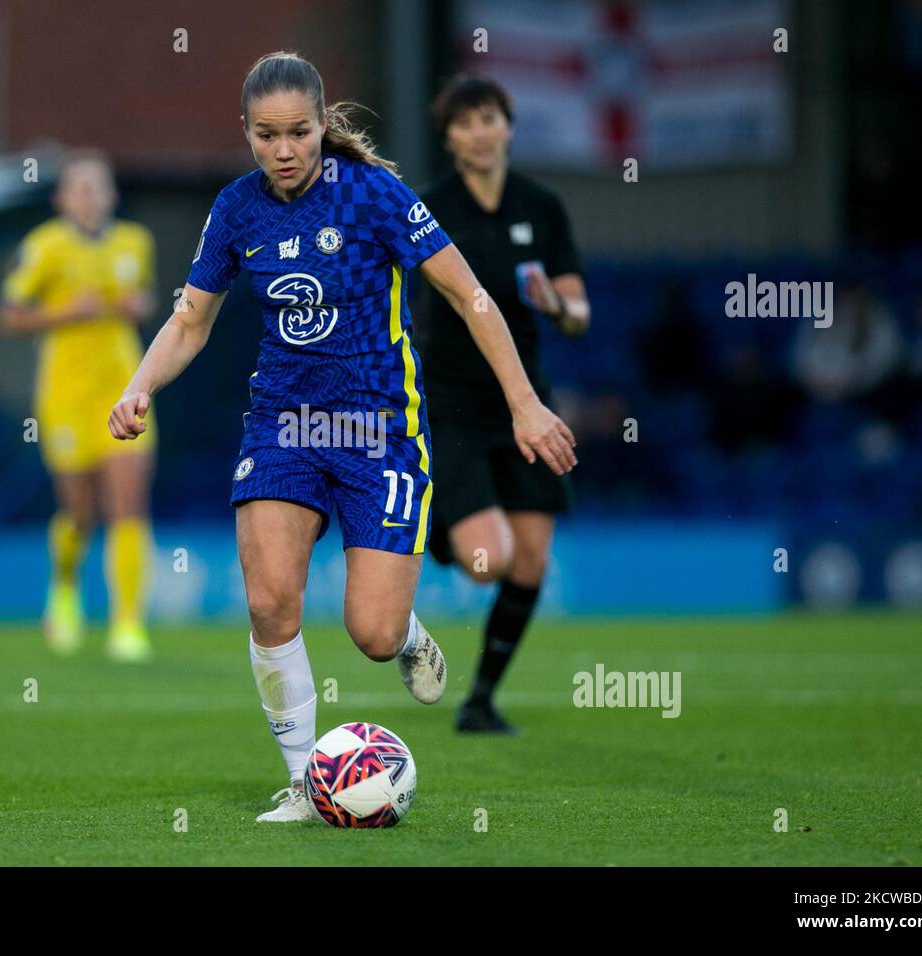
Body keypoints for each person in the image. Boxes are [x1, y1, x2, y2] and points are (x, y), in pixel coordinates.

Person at [108, 52, 577, 822]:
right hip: (283, 426)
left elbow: (470, 295)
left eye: (298, 132)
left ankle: (407, 634)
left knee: (372, 631)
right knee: (268, 604)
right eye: (267, 135)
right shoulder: (236, 210)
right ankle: (303, 782)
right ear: (247, 134)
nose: (284, 149)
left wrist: (524, 402)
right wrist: (139, 387)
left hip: (378, 429)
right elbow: (190, 320)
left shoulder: (373, 195)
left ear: (324, 125)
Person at [415, 74, 590, 734]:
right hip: (453, 401)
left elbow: (579, 313)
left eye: (489, 118)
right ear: (450, 139)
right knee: (486, 563)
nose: (480, 132)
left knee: (532, 558)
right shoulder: (429, 206)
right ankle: (439, 532)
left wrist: (558, 306)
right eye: (464, 123)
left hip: (526, 402)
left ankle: (481, 698)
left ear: (509, 126)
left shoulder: (541, 207)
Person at [0, 151, 158, 661]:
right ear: (62, 198)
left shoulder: (135, 242)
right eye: (80, 188)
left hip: (124, 388)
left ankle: (128, 625)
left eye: (99, 187)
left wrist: (141, 305)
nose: (91, 197)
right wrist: (65, 312)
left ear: (112, 195)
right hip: (65, 396)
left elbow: (148, 299)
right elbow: (9, 315)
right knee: (80, 512)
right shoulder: (44, 247)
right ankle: (64, 590)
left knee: (128, 505)